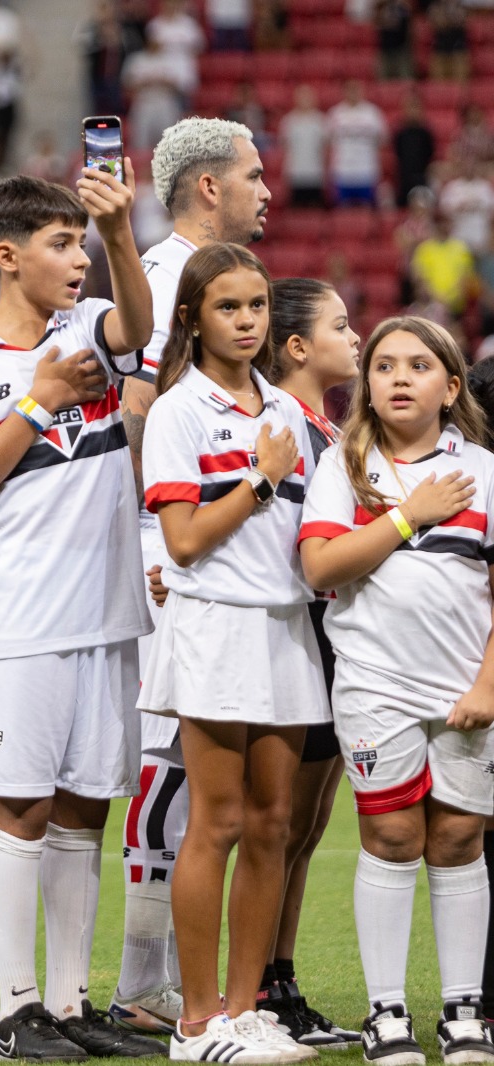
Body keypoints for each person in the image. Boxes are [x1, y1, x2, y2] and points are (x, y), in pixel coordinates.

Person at [0, 171, 159, 1060]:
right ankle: (13, 1013)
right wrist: (37, 400)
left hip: (107, 613)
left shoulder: (89, 331)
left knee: (85, 810)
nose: (79, 258)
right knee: (20, 809)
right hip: (20, 617)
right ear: (7, 256)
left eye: (81, 242)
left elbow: (135, 329)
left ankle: (68, 1002)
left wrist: (122, 230)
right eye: (62, 244)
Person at [138, 242, 326, 1063]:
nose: (247, 321)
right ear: (192, 318)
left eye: (256, 306)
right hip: (214, 624)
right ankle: (197, 1021)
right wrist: (258, 481)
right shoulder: (178, 411)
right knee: (214, 823)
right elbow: (181, 543)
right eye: (228, 307)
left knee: (274, 824)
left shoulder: (285, 410)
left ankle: (247, 1013)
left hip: (284, 624)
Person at [111, 117, 271, 1036]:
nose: (265, 191)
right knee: (173, 771)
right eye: (251, 176)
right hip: (173, 543)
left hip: (195, 539)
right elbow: (142, 413)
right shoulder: (171, 278)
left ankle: (161, 980)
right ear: (209, 188)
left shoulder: (186, 277)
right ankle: (144, 984)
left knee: (191, 779)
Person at [298, 316, 494, 1066]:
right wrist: (412, 516)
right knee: (391, 836)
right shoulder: (344, 467)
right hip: (375, 686)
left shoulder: (483, 469)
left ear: (451, 387)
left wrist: (488, 684)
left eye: (419, 365)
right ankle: (385, 1013)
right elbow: (321, 569)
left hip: (464, 695)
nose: (400, 377)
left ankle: (464, 1013)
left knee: (457, 838)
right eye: (384, 366)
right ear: (367, 386)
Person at [258, 278, 362, 1048]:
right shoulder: (278, 422)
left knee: (306, 827)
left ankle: (282, 976)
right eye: (340, 324)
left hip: (328, 636)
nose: (355, 336)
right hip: (293, 631)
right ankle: (258, 983)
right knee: (279, 824)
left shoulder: (323, 426)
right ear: (297, 346)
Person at [328, 81, 388, 208]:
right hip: (343, 172)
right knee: (343, 212)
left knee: (367, 210)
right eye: (350, 90)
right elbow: (328, 143)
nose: (353, 94)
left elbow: (383, 140)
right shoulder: (335, 114)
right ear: (344, 92)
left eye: (356, 90)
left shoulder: (372, 113)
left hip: (366, 171)